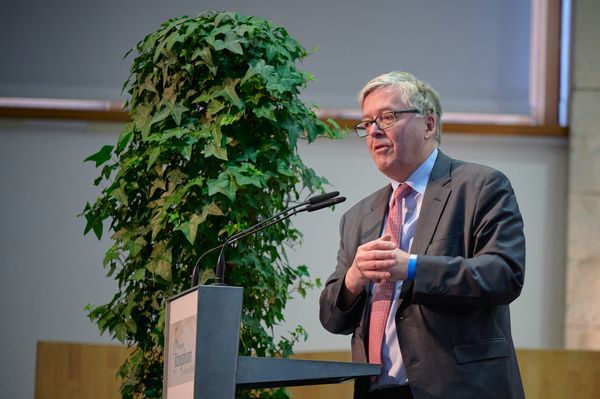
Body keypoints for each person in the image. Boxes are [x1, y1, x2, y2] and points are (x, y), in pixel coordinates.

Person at [319, 71, 525, 399]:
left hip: (458, 388)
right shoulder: (357, 217)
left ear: (428, 125)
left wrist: (413, 267)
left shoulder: (479, 187)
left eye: (387, 117)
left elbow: (504, 274)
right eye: (366, 122)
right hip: (377, 391)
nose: (373, 130)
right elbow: (332, 319)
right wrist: (353, 279)